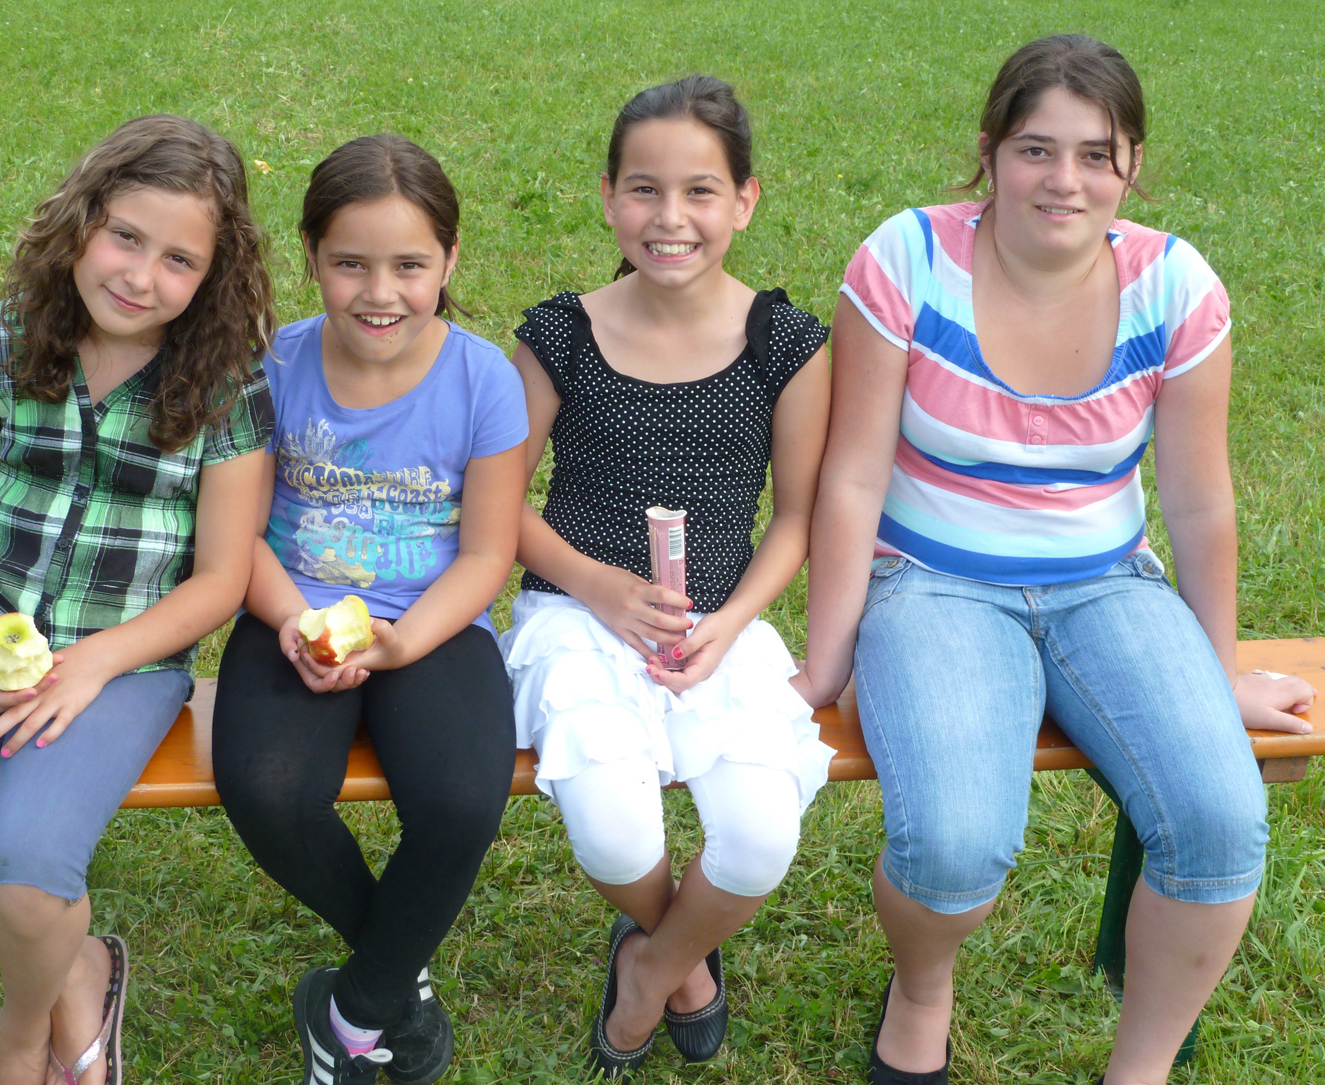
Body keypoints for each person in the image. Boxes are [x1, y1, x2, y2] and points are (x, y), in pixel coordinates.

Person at [796, 35, 1319, 1085]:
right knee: (951, 847)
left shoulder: (1173, 285)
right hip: (929, 583)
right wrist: (826, 660)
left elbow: (1199, 502)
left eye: (1094, 154)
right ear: (988, 153)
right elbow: (849, 478)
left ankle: (1140, 1069)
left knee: (1220, 822)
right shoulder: (906, 258)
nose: (1063, 180)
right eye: (1035, 149)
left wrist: (1214, 670)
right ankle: (922, 990)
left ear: (1131, 165)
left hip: (1107, 584)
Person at [0, 115, 274, 1085]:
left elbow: (221, 578)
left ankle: (21, 1032)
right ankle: (77, 968)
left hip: (124, 665)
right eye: (124, 236)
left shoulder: (226, 385)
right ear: (81, 221)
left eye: (179, 259)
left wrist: (95, 662)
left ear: (214, 274)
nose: (140, 276)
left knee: (29, 876)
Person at [501, 75, 834, 1079]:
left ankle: (648, 967)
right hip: (576, 614)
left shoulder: (785, 343)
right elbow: (497, 504)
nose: (669, 217)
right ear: (608, 198)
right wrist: (595, 584)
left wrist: (733, 620)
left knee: (759, 839)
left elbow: (796, 518)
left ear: (745, 201)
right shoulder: (559, 334)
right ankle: (684, 965)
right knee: (611, 829)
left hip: (719, 624)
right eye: (643, 189)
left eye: (700, 191)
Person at [209, 134, 529, 1085]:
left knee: (461, 802)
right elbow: (240, 536)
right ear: (311, 256)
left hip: (432, 619)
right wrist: (291, 622)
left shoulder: (483, 379)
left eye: (409, 266)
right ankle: (397, 976)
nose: (378, 292)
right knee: (268, 790)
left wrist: (403, 642)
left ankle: (351, 1008)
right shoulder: (270, 365)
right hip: (289, 607)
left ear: (450, 261)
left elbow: (487, 553)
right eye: (350, 263)